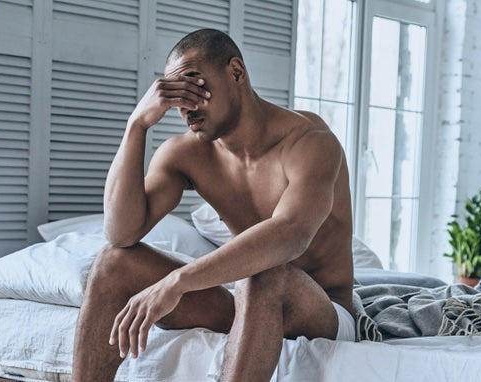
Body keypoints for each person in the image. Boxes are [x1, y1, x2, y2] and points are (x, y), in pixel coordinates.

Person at [72, 28, 354, 382]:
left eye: (194, 86)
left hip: (324, 309)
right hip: (246, 298)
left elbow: (290, 235)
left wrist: (178, 282)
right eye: (175, 95)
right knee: (113, 261)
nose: (186, 106)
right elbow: (120, 232)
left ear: (236, 72)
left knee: (263, 273)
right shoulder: (187, 153)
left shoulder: (309, 142)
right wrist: (137, 125)